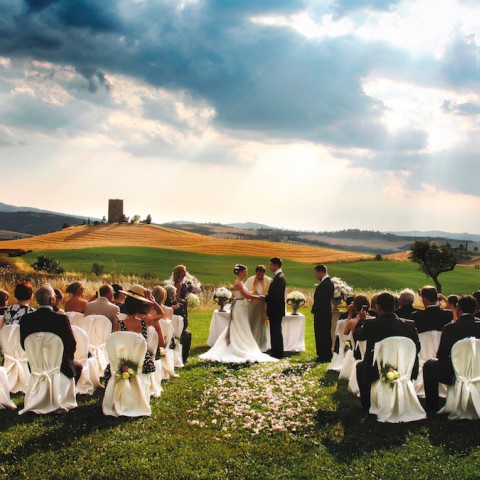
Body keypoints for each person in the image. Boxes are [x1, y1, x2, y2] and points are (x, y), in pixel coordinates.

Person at [352, 292, 420, 411]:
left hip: (378, 371)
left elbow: (359, 336)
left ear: (377, 306)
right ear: (394, 306)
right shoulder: (409, 325)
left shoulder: (371, 324)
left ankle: (366, 404)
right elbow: (417, 348)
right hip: (403, 369)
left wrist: (361, 321)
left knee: (359, 366)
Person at [200, 264, 278, 363]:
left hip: (242, 306)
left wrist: (253, 294)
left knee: (242, 326)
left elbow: (247, 293)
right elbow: (246, 295)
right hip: (240, 307)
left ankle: (243, 343)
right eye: (245, 271)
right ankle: (239, 345)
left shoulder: (241, 282)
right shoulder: (238, 283)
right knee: (240, 326)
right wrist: (261, 297)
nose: (247, 273)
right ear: (240, 272)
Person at [423, 295, 480, 412]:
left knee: (429, 366)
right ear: (475, 309)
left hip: (456, 373)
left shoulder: (450, 328)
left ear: (459, 309)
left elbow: (442, 356)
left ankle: (432, 407)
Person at [19, 284, 82, 382]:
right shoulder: (61, 319)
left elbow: (24, 345)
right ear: (52, 300)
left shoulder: (26, 319)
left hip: (35, 365)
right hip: (59, 366)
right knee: (79, 366)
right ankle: (66, 393)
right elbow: (71, 345)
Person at [104, 285, 165, 385]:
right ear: (141, 307)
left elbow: (113, 343)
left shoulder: (118, 324)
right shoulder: (144, 322)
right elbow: (160, 314)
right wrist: (152, 301)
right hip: (141, 363)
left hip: (122, 363)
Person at [244, 265, 272, 352]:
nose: (260, 276)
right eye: (258, 274)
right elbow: (245, 292)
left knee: (262, 327)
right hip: (252, 306)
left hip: (264, 307)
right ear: (256, 273)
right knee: (252, 325)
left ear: (264, 273)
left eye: (262, 275)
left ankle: (261, 346)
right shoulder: (250, 280)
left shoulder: (269, 280)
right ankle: (250, 345)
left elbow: (271, 294)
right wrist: (253, 294)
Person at [311, 264, 334, 362]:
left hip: (321, 313)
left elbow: (320, 300)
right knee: (325, 334)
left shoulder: (324, 284)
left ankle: (323, 355)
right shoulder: (329, 283)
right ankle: (326, 354)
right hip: (325, 312)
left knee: (321, 334)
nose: (316, 275)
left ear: (321, 272)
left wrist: (315, 310)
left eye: (316, 272)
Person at [265, 257, 287, 359]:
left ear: (276, 265)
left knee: (276, 331)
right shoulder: (278, 276)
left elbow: (276, 296)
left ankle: (278, 352)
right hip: (276, 309)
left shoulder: (279, 278)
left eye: (271, 265)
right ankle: (275, 350)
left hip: (276, 310)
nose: (270, 267)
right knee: (274, 331)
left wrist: (265, 298)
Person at [172, 265, 192, 363]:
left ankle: (182, 354)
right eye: (184, 271)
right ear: (180, 273)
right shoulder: (178, 284)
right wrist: (185, 301)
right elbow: (176, 298)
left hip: (183, 308)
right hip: (180, 309)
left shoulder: (183, 283)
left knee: (185, 325)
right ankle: (182, 355)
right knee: (182, 329)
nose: (185, 272)